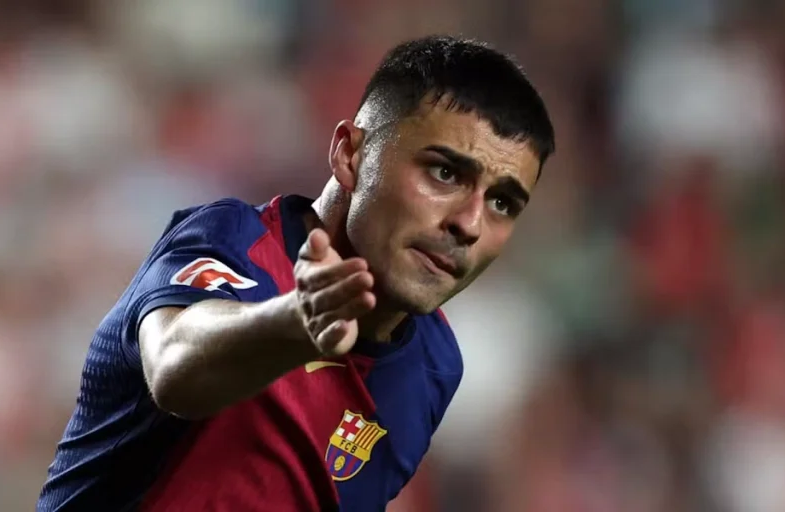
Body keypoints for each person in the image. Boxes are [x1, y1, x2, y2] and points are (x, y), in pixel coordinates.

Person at [37, 35, 555, 511]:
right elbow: (174, 370)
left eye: (503, 203)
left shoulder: (433, 367)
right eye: (445, 172)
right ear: (350, 154)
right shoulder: (232, 242)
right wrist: (295, 322)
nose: (469, 224)